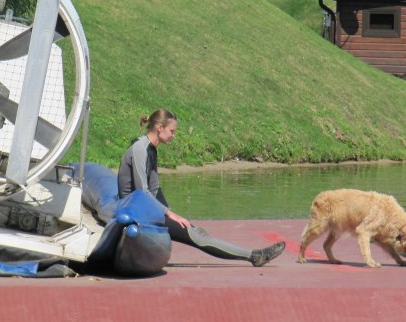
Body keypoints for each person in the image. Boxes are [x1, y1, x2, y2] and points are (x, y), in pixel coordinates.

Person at [117, 108, 286, 267]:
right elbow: (142, 192)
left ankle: (253, 254)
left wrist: (171, 213)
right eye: (172, 131)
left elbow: (155, 188)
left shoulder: (151, 149)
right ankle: (256, 256)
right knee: (196, 235)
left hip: (144, 208)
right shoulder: (140, 149)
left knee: (192, 229)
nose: (174, 136)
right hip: (134, 211)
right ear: (160, 128)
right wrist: (170, 214)